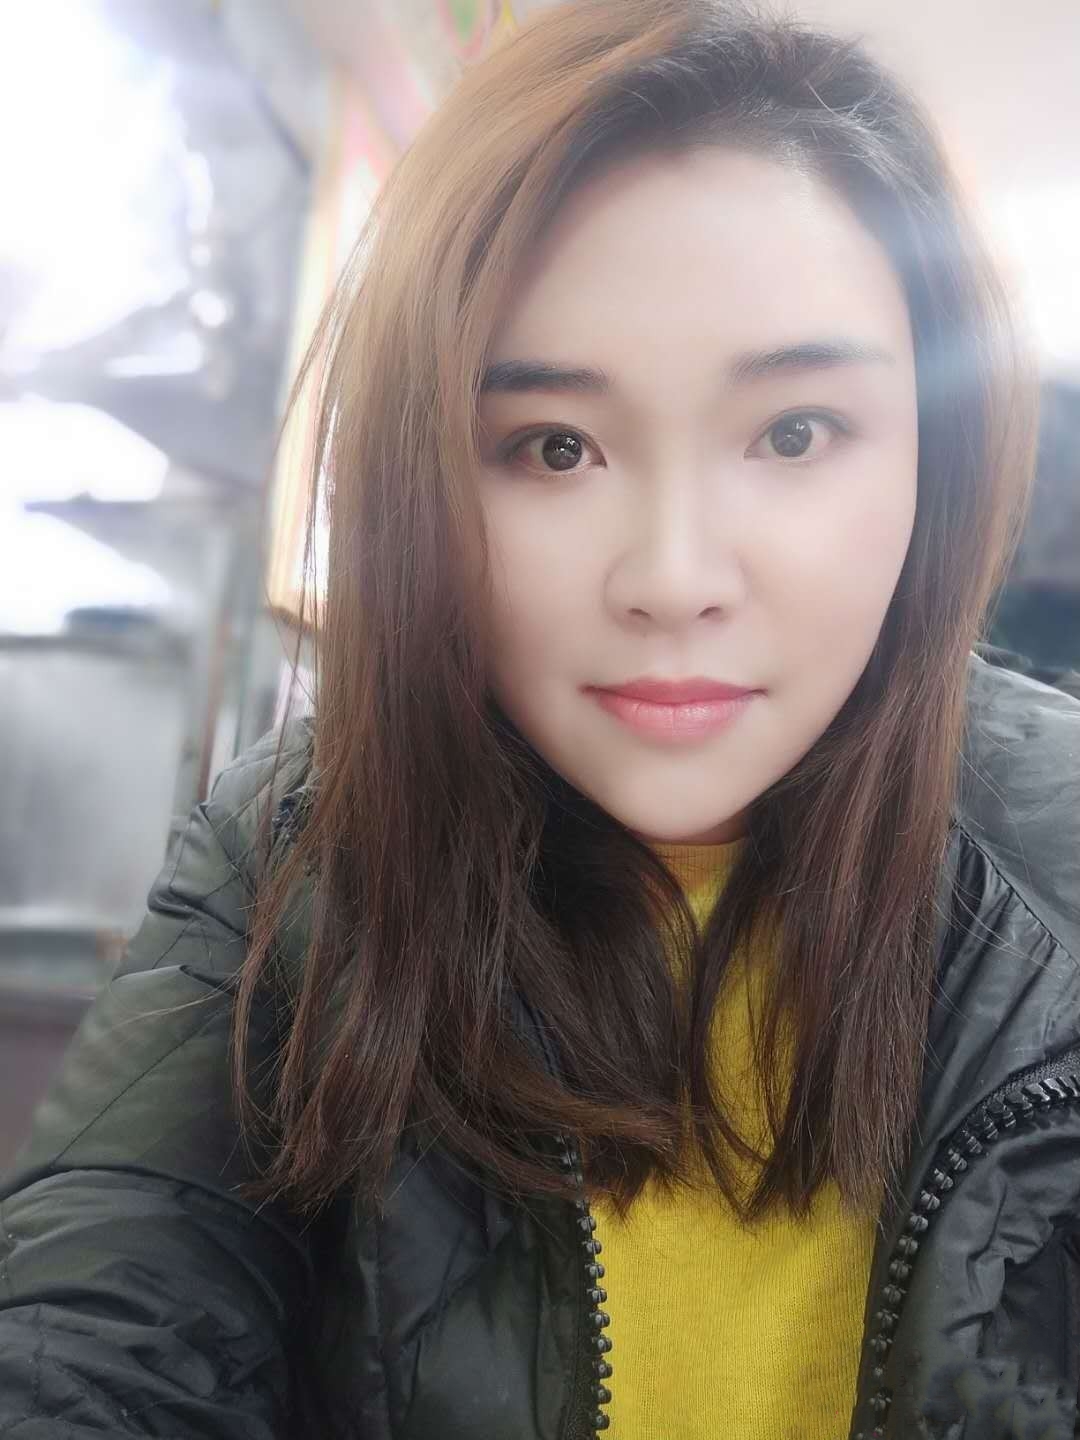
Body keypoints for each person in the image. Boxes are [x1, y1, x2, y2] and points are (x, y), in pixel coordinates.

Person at [2, 2, 1078, 1436]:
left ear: (935, 462)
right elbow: (97, 1331)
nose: (674, 580)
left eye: (793, 433)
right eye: (554, 448)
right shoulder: (290, 855)